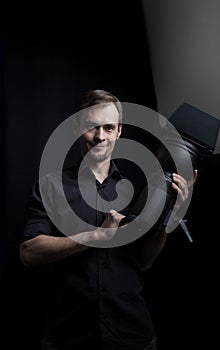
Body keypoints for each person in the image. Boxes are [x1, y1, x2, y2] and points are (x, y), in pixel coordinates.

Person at [19, 89, 196, 350]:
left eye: (109, 128)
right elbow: (29, 253)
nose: (100, 136)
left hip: (132, 336)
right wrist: (97, 236)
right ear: (78, 127)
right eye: (92, 127)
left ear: (119, 131)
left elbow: (144, 262)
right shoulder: (50, 187)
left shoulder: (137, 192)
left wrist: (171, 214)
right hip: (68, 338)